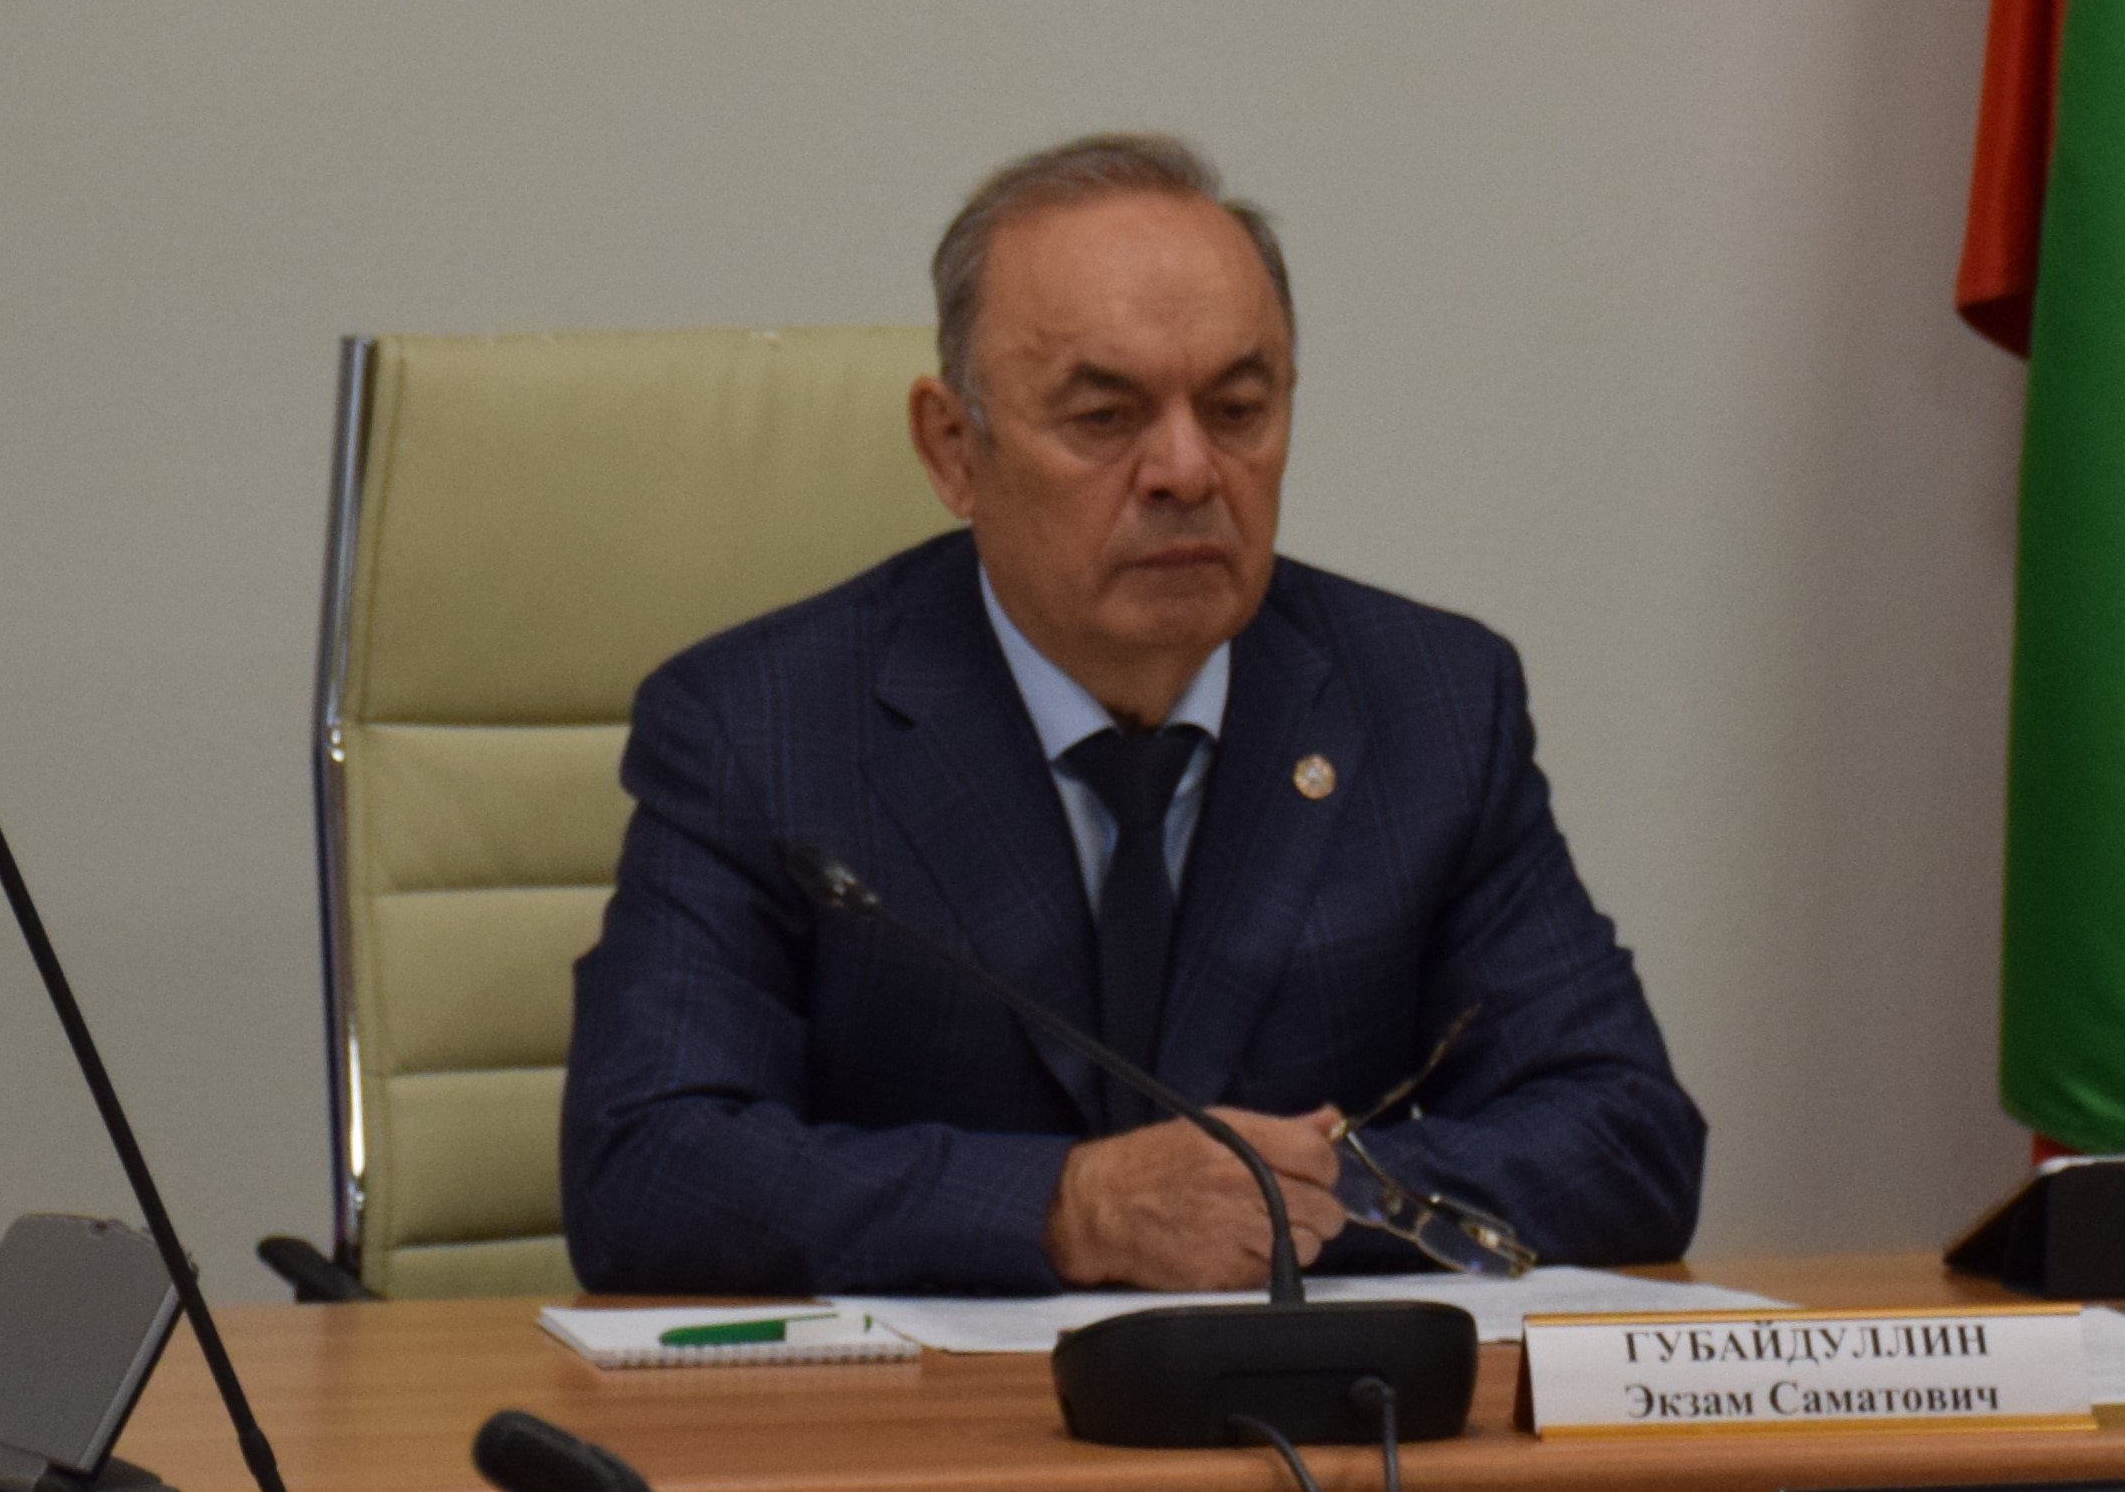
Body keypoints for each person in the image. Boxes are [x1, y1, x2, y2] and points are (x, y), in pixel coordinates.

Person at [558, 134, 1704, 1295]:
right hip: (934, 1404)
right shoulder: (758, 728)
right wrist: (1072, 1210)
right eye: (1105, 417)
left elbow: (1626, 1133)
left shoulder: (1431, 702)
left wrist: (1293, 1200)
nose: (1186, 469)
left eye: (1237, 407)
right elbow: (646, 1163)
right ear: (953, 449)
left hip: (1305, 1397)